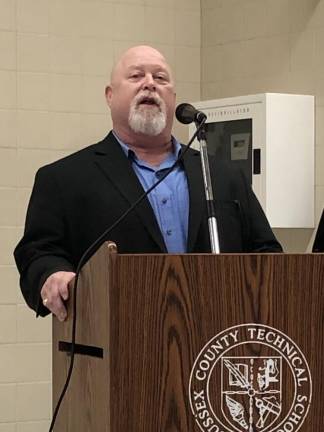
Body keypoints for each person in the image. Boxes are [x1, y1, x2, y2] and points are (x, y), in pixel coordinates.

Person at [14, 45, 282, 322]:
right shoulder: (64, 178)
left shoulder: (222, 175)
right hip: (119, 339)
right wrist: (52, 275)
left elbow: (268, 253)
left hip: (216, 340)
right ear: (110, 95)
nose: (150, 84)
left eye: (161, 78)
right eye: (135, 76)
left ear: (173, 98)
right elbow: (37, 254)